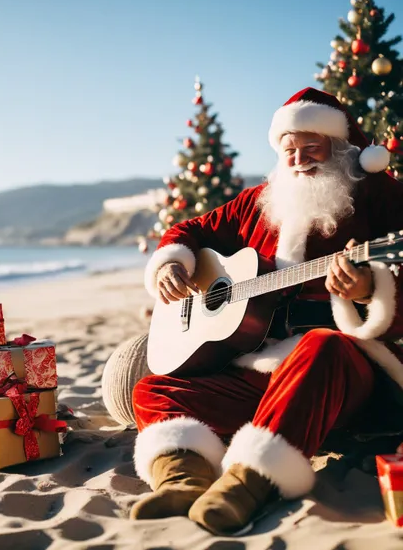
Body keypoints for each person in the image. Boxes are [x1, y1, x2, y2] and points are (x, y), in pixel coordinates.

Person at [131, 87, 403, 535]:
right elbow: (191, 229)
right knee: (153, 391)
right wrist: (171, 264)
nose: (298, 160)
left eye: (311, 147)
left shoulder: (378, 195)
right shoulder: (258, 201)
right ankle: (181, 478)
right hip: (261, 375)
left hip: (342, 375)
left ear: (338, 145)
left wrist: (371, 288)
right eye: (289, 150)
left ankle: (247, 484)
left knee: (322, 346)